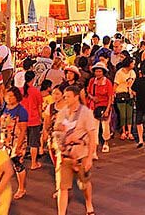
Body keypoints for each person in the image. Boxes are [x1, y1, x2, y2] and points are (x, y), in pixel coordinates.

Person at [53, 85, 96, 215]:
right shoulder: (62, 113)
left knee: (84, 184)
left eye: (68, 96)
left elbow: (92, 136)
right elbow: (56, 131)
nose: (65, 99)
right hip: (65, 155)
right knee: (62, 187)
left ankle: (88, 203)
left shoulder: (86, 113)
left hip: (81, 154)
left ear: (76, 97)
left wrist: (89, 158)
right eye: (64, 96)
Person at [0, 86, 29, 199]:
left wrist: (18, 146)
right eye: (8, 95)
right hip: (5, 142)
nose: (9, 98)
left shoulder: (21, 111)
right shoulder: (5, 108)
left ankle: (22, 188)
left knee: (17, 165)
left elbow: (23, 130)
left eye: (12, 96)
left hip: (16, 141)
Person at [20, 76, 44, 170]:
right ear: (33, 79)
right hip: (34, 120)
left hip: (22, 120)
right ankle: (33, 163)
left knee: (22, 141)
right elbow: (39, 107)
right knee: (34, 143)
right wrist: (41, 118)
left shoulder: (20, 90)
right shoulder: (36, 91)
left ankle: (20, 159)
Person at [113, 57, 136, 142]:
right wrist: (113, 94)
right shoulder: (119, 73)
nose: (134, 65)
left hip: (129, 95)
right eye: (133, 63)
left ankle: (129, 132)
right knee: (122, 115)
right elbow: (115, 84)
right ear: (129, 64)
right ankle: (123, 131)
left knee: (129, 114)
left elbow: (132, 83)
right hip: (120, 94)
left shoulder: (132, 72)